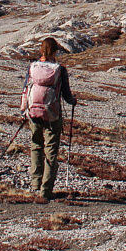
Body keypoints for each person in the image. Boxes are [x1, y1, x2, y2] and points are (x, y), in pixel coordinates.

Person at [20, 37, 75, 201]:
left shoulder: (32, 67)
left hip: (33, 112)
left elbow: (25, 89)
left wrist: (24, 110)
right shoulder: (60, 70)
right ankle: (46, 190)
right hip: (52, 114)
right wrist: (73, 101)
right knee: (51, 150)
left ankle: (35, 183)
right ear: (55, 51)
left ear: (41, 50)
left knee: (36, 145)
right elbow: (66, 95)